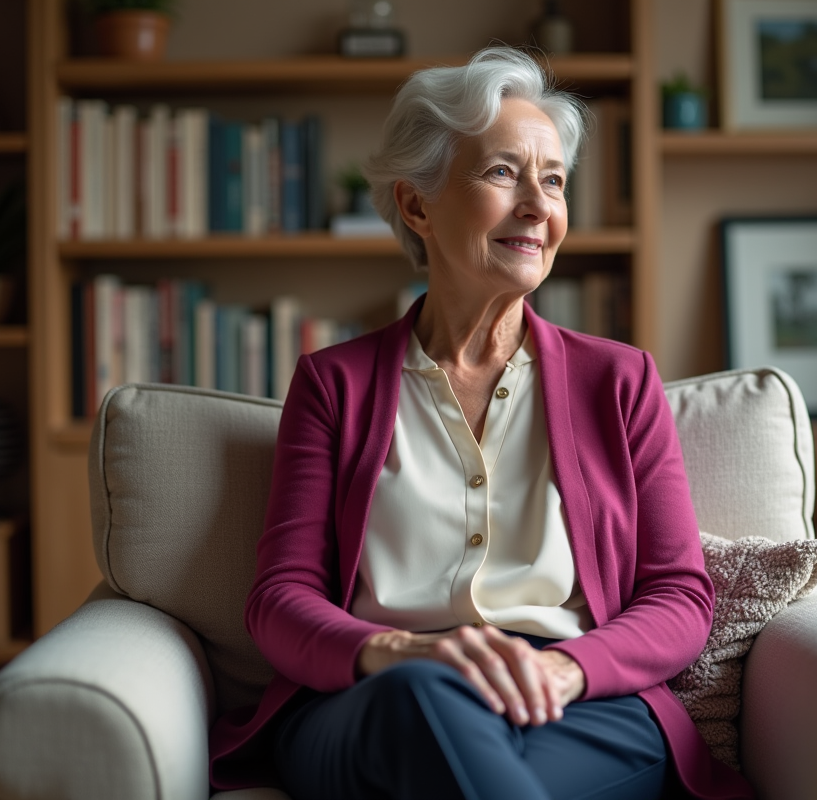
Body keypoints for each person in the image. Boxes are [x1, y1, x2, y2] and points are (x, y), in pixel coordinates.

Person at [209, 47, 754, 800]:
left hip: (576, 702)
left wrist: (568, 668)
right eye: (503, 173)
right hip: (381, 696)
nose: (538, 204)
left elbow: (679, 596)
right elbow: (280, 598)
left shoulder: (621, 382)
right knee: (423, 708)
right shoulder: (333, 386)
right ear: (417, 205)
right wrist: (398, 653)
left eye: (554, 180)